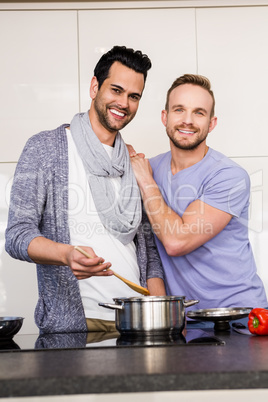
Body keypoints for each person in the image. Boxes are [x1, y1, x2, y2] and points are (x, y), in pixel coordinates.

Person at [5, 46, 166, 335]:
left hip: (137, 325)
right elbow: (17, 235)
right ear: (95, 86)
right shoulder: (46, 148)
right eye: (116, 90)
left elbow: (147, 250)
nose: (124, 103)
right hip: (75, 328)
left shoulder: (132, 162)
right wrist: (66, 254)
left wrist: (162, 312)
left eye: (134, 96)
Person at [129, 73, 267, 312]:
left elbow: (176, 241)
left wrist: (145, 179)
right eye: (179, 110)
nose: (188, 120)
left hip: (239, 318)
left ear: (211, 123)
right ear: (165, 117)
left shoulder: (229, 176)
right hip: (185, 321)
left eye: (199, 112)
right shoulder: (150, 168)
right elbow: (148, 250)